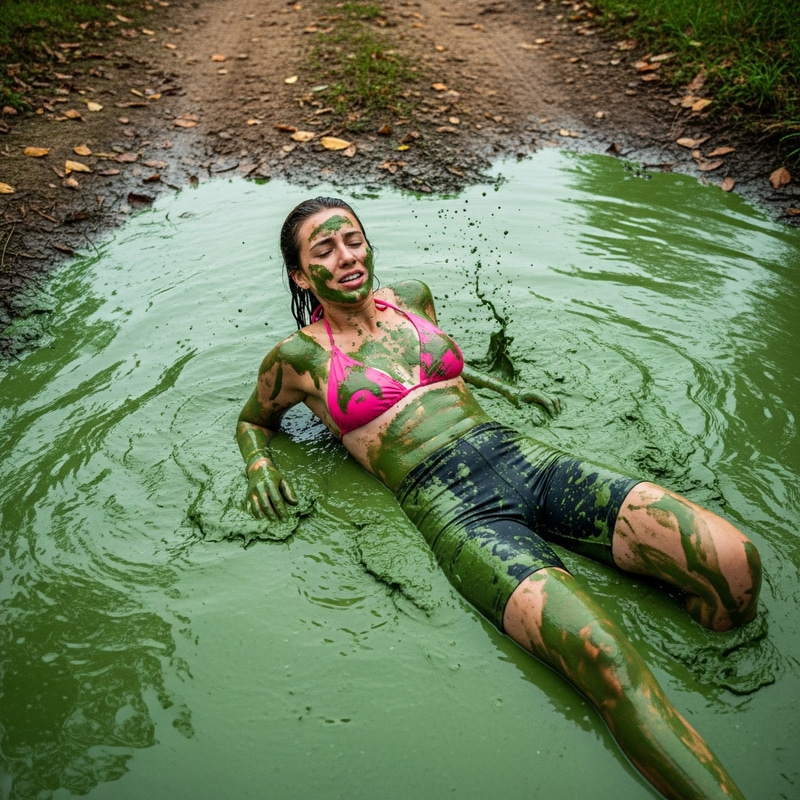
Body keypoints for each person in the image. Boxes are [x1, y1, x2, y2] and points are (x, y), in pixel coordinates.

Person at [236, 196, 761, 800]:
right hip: (458, 510)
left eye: (352, 239)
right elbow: (253, 421)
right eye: (323, 250)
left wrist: (496, 384)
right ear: (303, 275)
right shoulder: (298, 358)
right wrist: (258, 465)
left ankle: (710, 678)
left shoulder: (412, 297)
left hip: (528, 461)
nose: (346, 256)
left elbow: (437, 370)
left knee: (734, 563)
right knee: (606, 659)